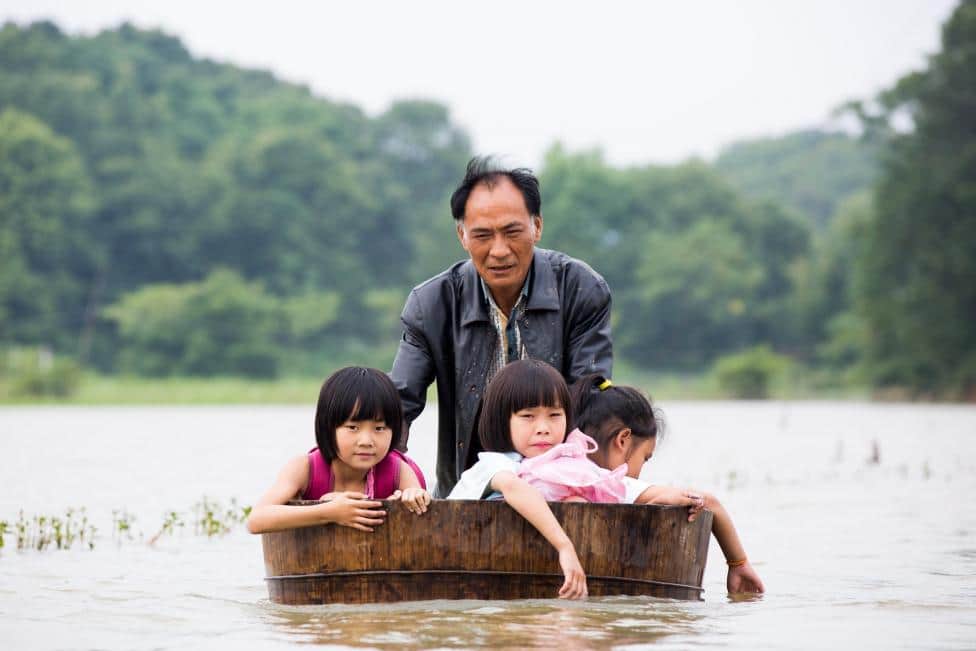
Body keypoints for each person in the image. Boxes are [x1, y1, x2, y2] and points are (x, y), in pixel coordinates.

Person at [391, 156, 613, 497]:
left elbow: (591, 397)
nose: (499, 250)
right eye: (482, 235)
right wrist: (374, 475)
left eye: (512, 232)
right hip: (469, 491)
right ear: (462, 235)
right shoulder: (431, 304)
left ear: (537, 226)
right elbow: (397, 406)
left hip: (563, 489)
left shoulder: (580, 289)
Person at [570, 373, 766, 594]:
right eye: (645, 457)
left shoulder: (550, 469)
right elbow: (710, 503)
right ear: (622, 440)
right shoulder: (610, 484)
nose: (642, 468)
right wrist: (738, 564)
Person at [247, 367, 431, 534]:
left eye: (379, 428)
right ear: (328, 428)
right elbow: (256, 520)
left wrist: (407, 500)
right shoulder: (304, 468)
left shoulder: (398, 470)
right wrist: (330, 512)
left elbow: (422, 523)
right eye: (353, 427)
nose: (366, 441)